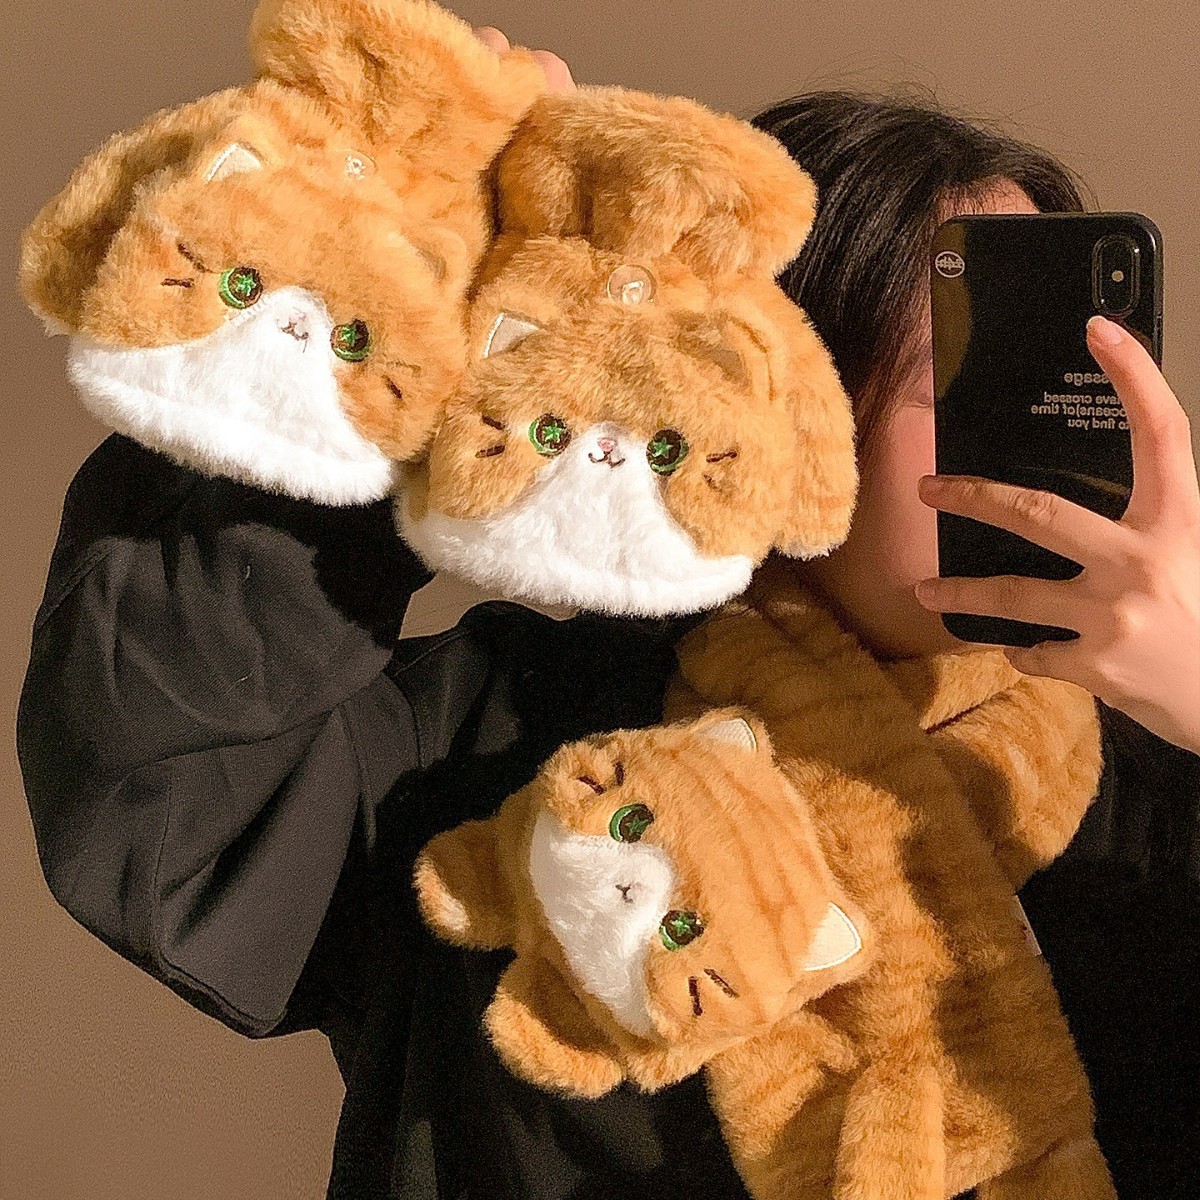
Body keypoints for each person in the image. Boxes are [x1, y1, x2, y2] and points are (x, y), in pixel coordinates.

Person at [17, 27, 1199, 1200]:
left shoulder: (1159, 804)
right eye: (959, 377)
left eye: (1054, 382)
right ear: (779, 398)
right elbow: (153, 772)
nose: (1023, 440)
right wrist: (409, 299)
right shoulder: (516, 734)